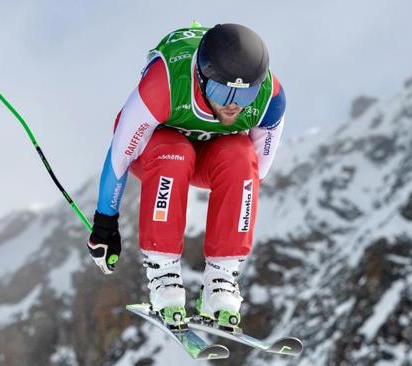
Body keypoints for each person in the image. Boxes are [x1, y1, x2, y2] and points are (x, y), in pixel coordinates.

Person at [87, 22, 286, 330]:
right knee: (175, 152)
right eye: (222, 90)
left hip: (211, 155)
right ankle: (163, 273)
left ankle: (220, 282)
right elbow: (120, 155)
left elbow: (254, 174)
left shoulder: (269, 99)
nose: (233, 103)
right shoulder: (165, 84)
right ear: (200, 76)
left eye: (244, 94)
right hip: (158, 152)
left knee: (241, 158)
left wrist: (229, 241)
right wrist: (105, 224)